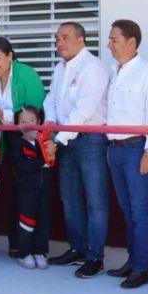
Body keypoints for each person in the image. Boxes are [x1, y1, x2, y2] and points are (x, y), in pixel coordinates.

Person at [98, 19, 148, 289]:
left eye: (114, 39)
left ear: (131, 42)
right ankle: (131, 261)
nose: (109, 44)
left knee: (140, 210)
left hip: (137, 149)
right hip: (114, 149)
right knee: (126, 210)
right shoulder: (114, 71)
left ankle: (141, 267)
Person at [43, 22, 110, 276]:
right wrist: (50, 121)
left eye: (65, 38)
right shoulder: (61, 67)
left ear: (81, 40)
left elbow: (83, 111)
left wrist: (58, 139)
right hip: (65, 138)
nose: (59, 43)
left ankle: (96, 257)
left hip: (89, 140)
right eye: (57, 38)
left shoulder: (93, 68)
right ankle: (78, 249)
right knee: (69, 197)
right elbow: (51, 98)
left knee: (96, 200)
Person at [0, 37, 47, 257]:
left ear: (10, 56)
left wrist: (7, 115)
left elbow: (36, 108)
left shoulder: (27, 73)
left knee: (31, 195)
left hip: (28, 140)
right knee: (11, 194)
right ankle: (16, 244)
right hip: (3, 142)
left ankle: (36, 248)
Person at [10, 105, 54, 269]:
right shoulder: (17, 143)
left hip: (45, 188)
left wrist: (49, 155)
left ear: (39, 121)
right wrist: (43, 160)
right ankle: (24, 252)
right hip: (26, 188)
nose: (28, 124)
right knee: (26, 220)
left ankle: (40, 252)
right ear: (17, 125)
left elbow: (52, 162)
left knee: (43, 218)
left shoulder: (46, 142)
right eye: (22, 121)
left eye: (32, 120)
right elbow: (23, 165)